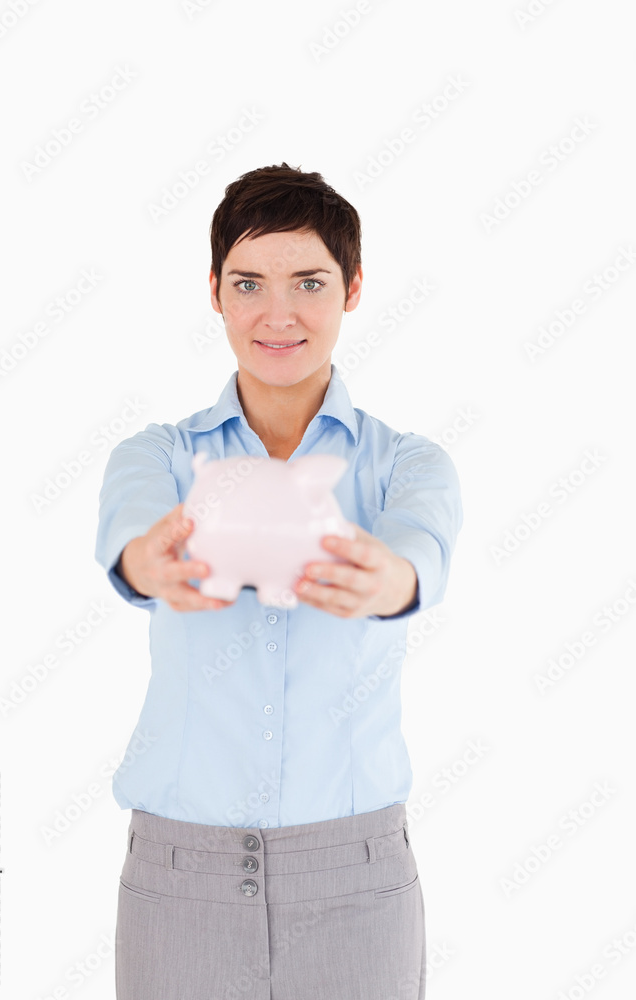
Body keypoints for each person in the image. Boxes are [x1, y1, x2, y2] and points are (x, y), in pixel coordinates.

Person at [95, 162, 462, 1000]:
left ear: (353, 287)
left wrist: (385, 581)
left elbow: (419, 553)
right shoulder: (158, 455)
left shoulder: (408, 464)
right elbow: (131, 537)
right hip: (177, 883)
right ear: (215, 292)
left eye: (309, 282)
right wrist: (149, 564)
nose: (278, 313)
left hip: (357, 881)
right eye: (248, 283)